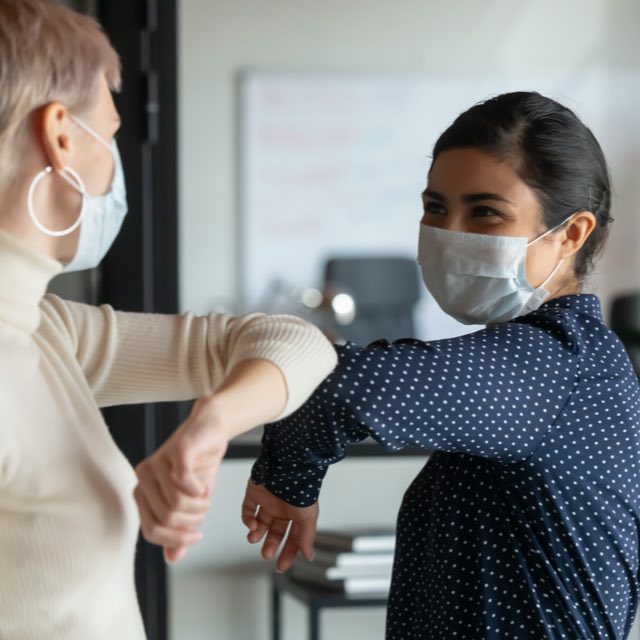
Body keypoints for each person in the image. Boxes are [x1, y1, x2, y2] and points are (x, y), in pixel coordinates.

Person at [239, 92, 640, 639]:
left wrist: (288, 481)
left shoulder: (555, 362)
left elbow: (340, 386)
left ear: (571, 234)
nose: (451, 233)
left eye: (485, 212)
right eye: (435, 208)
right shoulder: (566, 359)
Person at [0, 1, 336, 638]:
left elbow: (297, 341)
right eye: (112, 132)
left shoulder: (47, 330)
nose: (114, 166)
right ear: (62, 138)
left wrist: (211, 423)